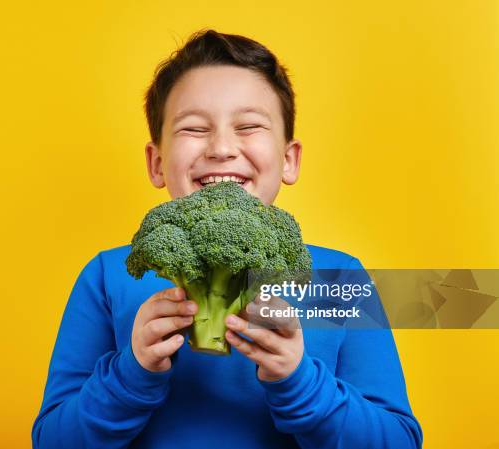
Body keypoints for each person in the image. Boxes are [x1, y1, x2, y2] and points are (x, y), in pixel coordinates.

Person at [32, 29, 423, 449]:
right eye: (194, 128)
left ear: (289, 160)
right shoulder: (107, 276)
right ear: (157, 162)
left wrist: (299, 381)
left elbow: (398, 440)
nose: (221, 148)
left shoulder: (339, 277)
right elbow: (53, 440)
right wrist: (132, 372)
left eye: (249, 126)